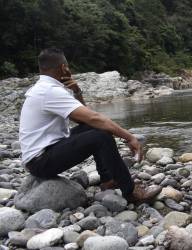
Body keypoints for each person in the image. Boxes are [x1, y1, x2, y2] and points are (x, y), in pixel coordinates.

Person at [19, 48, 161, 203]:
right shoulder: (49, 91)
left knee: (96, 129)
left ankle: (108, 180)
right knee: (100, 136)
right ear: (64, 68)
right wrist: (129, 137)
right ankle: (131, 192)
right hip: (41, 162)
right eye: (67, 66)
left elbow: (85, 120)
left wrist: (77, 92)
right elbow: (94, 117)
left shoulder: (43, 88)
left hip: (40, 157)